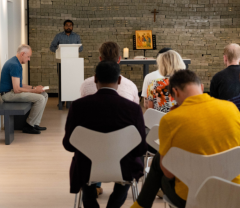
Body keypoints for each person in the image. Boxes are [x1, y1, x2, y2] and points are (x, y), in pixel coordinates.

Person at [131, 70, 240, 208]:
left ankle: (140, 205)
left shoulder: (170, 120)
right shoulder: (231, 108)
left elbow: (168, 173)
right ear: (201, 87)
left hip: (190, 196)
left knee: (159, 160)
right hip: (233, 191)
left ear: (175, 92)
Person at [63, 61, 147, 208]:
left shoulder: (78, 106)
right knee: (134, 159)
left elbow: (69, 145)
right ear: (119, 80)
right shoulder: (133, 109)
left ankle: (90, 202)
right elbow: (140, 149)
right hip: (123, 167)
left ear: (95, 78)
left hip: (87, 167)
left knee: (81, 159)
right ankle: (114, 205)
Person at [0, 44, 48, 134]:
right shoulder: (14, 64)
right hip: (8, 95)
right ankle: (29, 126)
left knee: (44, 95)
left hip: (12, 92)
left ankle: (34, 124)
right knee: (40, 98)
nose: (29, 59)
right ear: (22, 54)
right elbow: (17, 89)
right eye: (28, 56)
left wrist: (35, 87)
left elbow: (20, 84)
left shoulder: (16, 63)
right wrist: (34, 91)